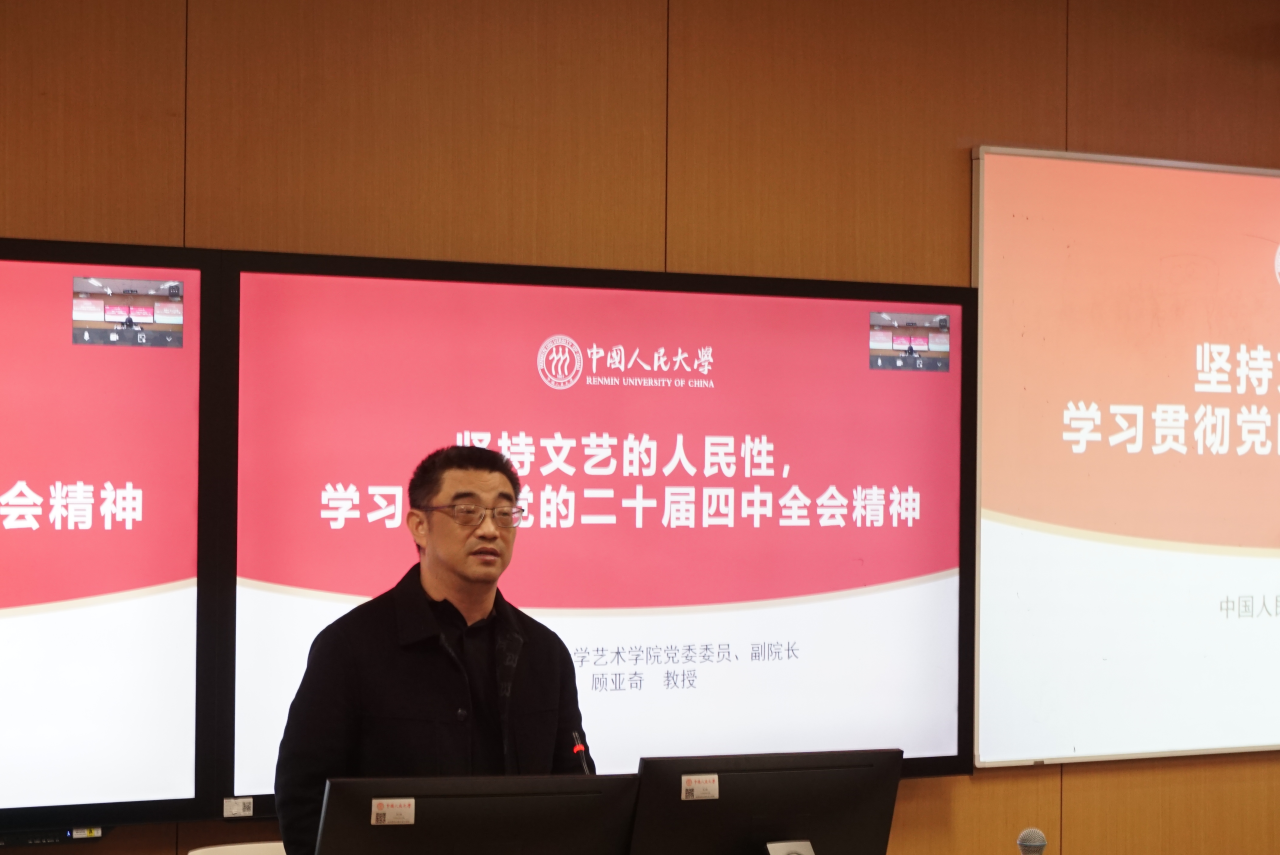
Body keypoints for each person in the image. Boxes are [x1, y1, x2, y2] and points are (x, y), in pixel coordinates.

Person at [275, 445, 593, 855]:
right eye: (466, 511)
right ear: (419, 526)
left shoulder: (545, 654)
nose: (490, 530)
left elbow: (579, 793)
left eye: (503, 513)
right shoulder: (349, 647)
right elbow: (303, 799)